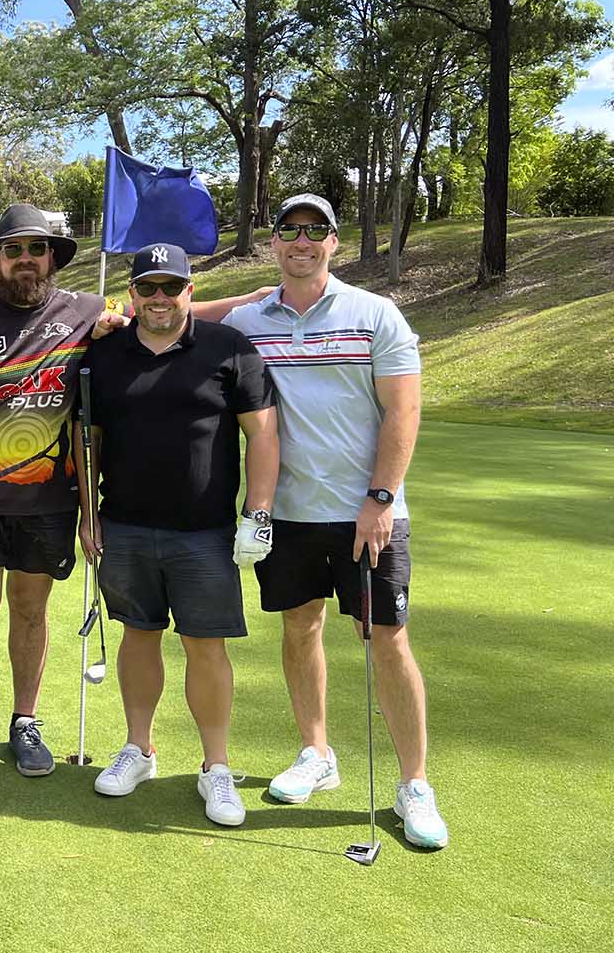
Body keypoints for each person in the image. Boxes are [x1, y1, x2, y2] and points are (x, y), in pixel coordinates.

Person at [0, 205, 267, 783]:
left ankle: (25, 723)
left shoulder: (86, 311)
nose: (26, 260)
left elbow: (161, 313)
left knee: (31, 613)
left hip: (50, 501)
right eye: (14, 251)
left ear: (52, 258)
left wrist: (247, 303)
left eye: (37, 249)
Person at [223, 193, 449, 849]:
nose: (301, 240)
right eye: (289, 230)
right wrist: (118, 317)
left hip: (366, 514)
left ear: (334, 241)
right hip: (288, 514)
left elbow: (403, 412)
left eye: (314, 230)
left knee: (387, 639)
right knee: (300, 627)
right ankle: (316, 752)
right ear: (273, 243)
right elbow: (191, 315)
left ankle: (413, 784)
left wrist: (380, 498)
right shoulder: (248, 319)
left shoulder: (375, 315)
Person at [77, 243, 278, 827]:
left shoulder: (229, 348)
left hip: (205, 531)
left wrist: (257, 512)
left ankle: (216, 766)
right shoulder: (101, 357)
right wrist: (89, 515)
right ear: (132, 293)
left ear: (191, 291)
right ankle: (138, 749)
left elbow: (262, 435)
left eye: (172, 287)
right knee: (138, 636)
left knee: (204, 646)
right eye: (148, 288)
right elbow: (86, 445)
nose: (159, 298)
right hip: (126, 526)